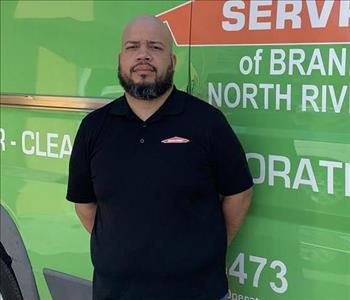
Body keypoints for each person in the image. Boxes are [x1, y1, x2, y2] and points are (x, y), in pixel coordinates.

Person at [66, 15, 253, 300]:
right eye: (133, 47)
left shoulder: (207, 122)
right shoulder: (94, 128)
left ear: (173, 61)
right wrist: (124, 250)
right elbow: (84, 204)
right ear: (120, 60)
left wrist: (209, 249)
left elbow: (239, 193)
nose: (143, 55)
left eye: (155, 47)